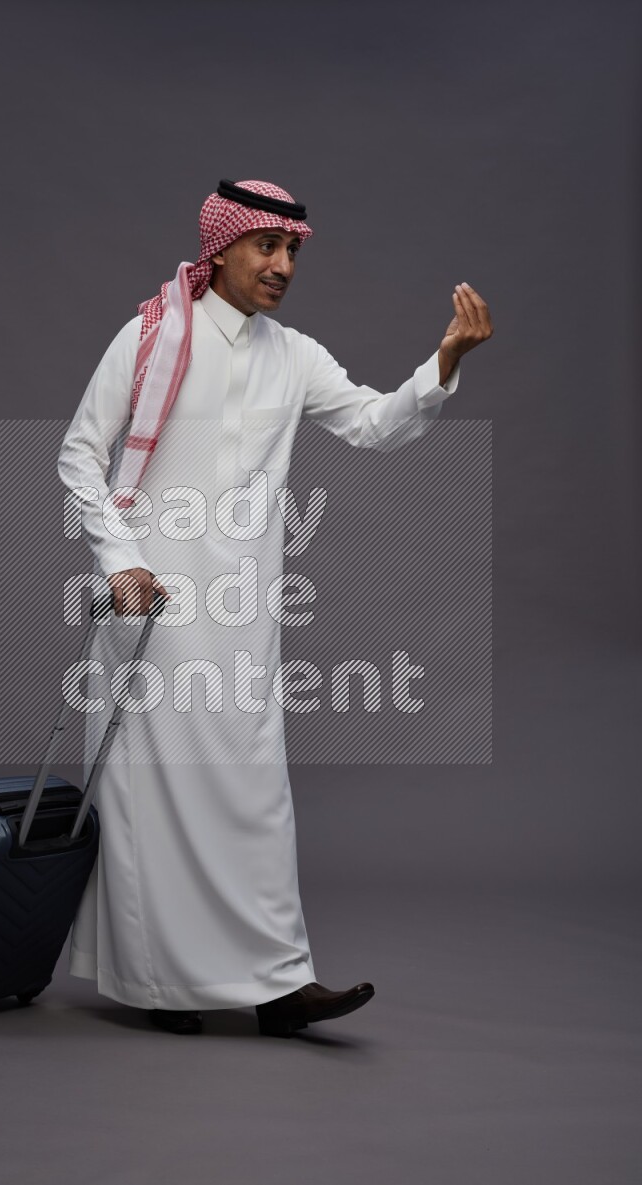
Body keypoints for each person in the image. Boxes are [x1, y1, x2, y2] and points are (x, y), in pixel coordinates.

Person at [58, 179, 493, 1037]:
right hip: (152, 604)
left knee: (252, 793)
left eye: (294, 250)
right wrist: (122, 558)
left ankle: (277, 982)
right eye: (268, 247)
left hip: (246, 612)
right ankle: (161, 986)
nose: (284, 264)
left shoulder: (292, 355)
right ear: (220, 248)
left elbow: (374, 423)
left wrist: (443, 361)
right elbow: (81, 455)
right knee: (157, 796)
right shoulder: (149, 337)